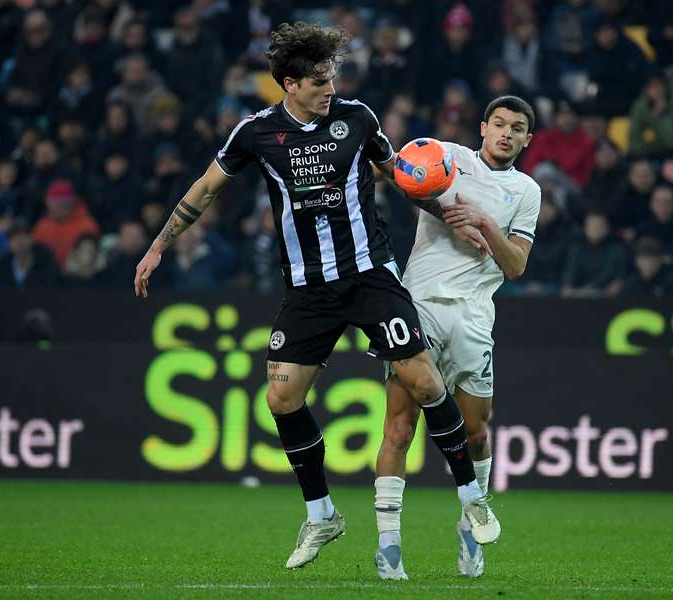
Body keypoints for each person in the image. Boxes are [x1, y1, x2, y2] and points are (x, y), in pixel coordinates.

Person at [132, 21, 498, 571]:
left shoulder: (358, 119)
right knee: (280, 398)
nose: (331, 89)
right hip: (307, 288)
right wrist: (159, 246)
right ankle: (322, 513)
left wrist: (450, 215)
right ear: (290, 84)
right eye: (320, 82)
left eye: (333, 78)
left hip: (371, 275)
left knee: (424, 380)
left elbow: (400, 178)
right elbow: (206, 189)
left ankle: (472, 499)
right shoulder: (255, 133)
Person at [374, 96, 540, 580]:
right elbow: (399, 174)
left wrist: (485, 223)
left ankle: (470, 529)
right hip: (418, 305)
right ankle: (389, 547)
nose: (507, 133)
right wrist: (445, 211)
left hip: (473, 316)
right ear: (483, 128)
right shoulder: (447, 158)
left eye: (518, 128)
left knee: (477, 433)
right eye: (500, 124)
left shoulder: (526, 192)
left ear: (528, 139)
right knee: (400, 428)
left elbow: (516, 267)